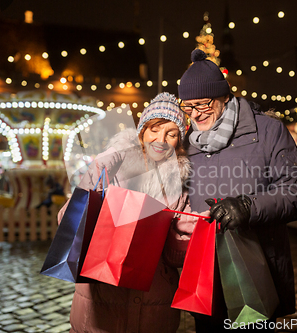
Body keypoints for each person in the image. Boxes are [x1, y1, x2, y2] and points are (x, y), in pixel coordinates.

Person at [177, 49, 297, 332]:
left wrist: (248, 207)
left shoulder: (267, 131)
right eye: (188, 106)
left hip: (255, 272)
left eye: (203, 103)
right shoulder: (184, 143)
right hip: (204, 277)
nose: (196, 114)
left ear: (224, 97)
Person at [59, 92, 205, 333]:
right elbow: (67, 221)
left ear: (179, 141)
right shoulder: (113, 169)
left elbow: (174, 257)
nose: (161, 139)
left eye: (171, 134)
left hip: (154, 309)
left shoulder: (178, 183)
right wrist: (99, 171)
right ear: (142, 132)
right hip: (102, 306)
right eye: (154, 129)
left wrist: (188, 230)